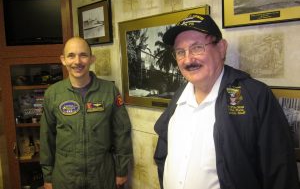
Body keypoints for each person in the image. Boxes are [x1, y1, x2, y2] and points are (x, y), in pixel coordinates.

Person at [153, 14, 299, 189]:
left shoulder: (256, 96)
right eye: (180, 52)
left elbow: (281, 173)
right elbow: (164, 152)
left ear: (221, 48)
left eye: (197, 48)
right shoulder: (178, 97)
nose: (188, 59)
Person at [40, 37, 133, 189]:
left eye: (83, 55)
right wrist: (48, 176)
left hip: (102, 176)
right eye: (71, 55)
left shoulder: (109, 91)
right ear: (63, 60)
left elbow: (122, 132)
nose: (77, 61)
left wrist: (122, 170)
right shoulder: (53, 94)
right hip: (65, 177)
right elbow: (46, 137)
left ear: (92, 59)